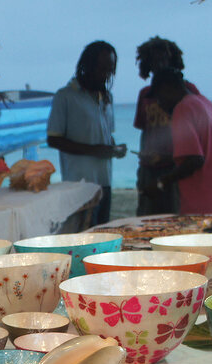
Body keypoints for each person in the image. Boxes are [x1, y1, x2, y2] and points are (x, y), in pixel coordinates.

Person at [47, 41, 128, 226]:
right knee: (82, 237)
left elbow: (105, 136)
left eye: (110, 70)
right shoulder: (65, 96)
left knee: (102, 240)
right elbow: (54, 139)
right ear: (87, 66)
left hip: (104, 183)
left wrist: (114, 149)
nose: (106, 75)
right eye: (101, 69)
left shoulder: (106, 98)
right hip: (79, 186)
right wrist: (94, 150)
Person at [147, 67, 212, 215]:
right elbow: (207, 150)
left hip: (207, 192)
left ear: (168, 88)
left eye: (159, 98)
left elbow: (195, 160)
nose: (160, 104)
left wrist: (161, 182)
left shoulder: (182, 109)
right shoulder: (204, 102)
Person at [133, 37, 200, 216]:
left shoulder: (187, 90)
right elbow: (145, 129)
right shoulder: (145, 94)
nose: (160, 64)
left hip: (176, 166)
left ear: (173, 61)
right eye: (155, 60)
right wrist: (146, 156)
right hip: (150, 167)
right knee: (147, 216)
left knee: (176, 214)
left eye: (164, 59)